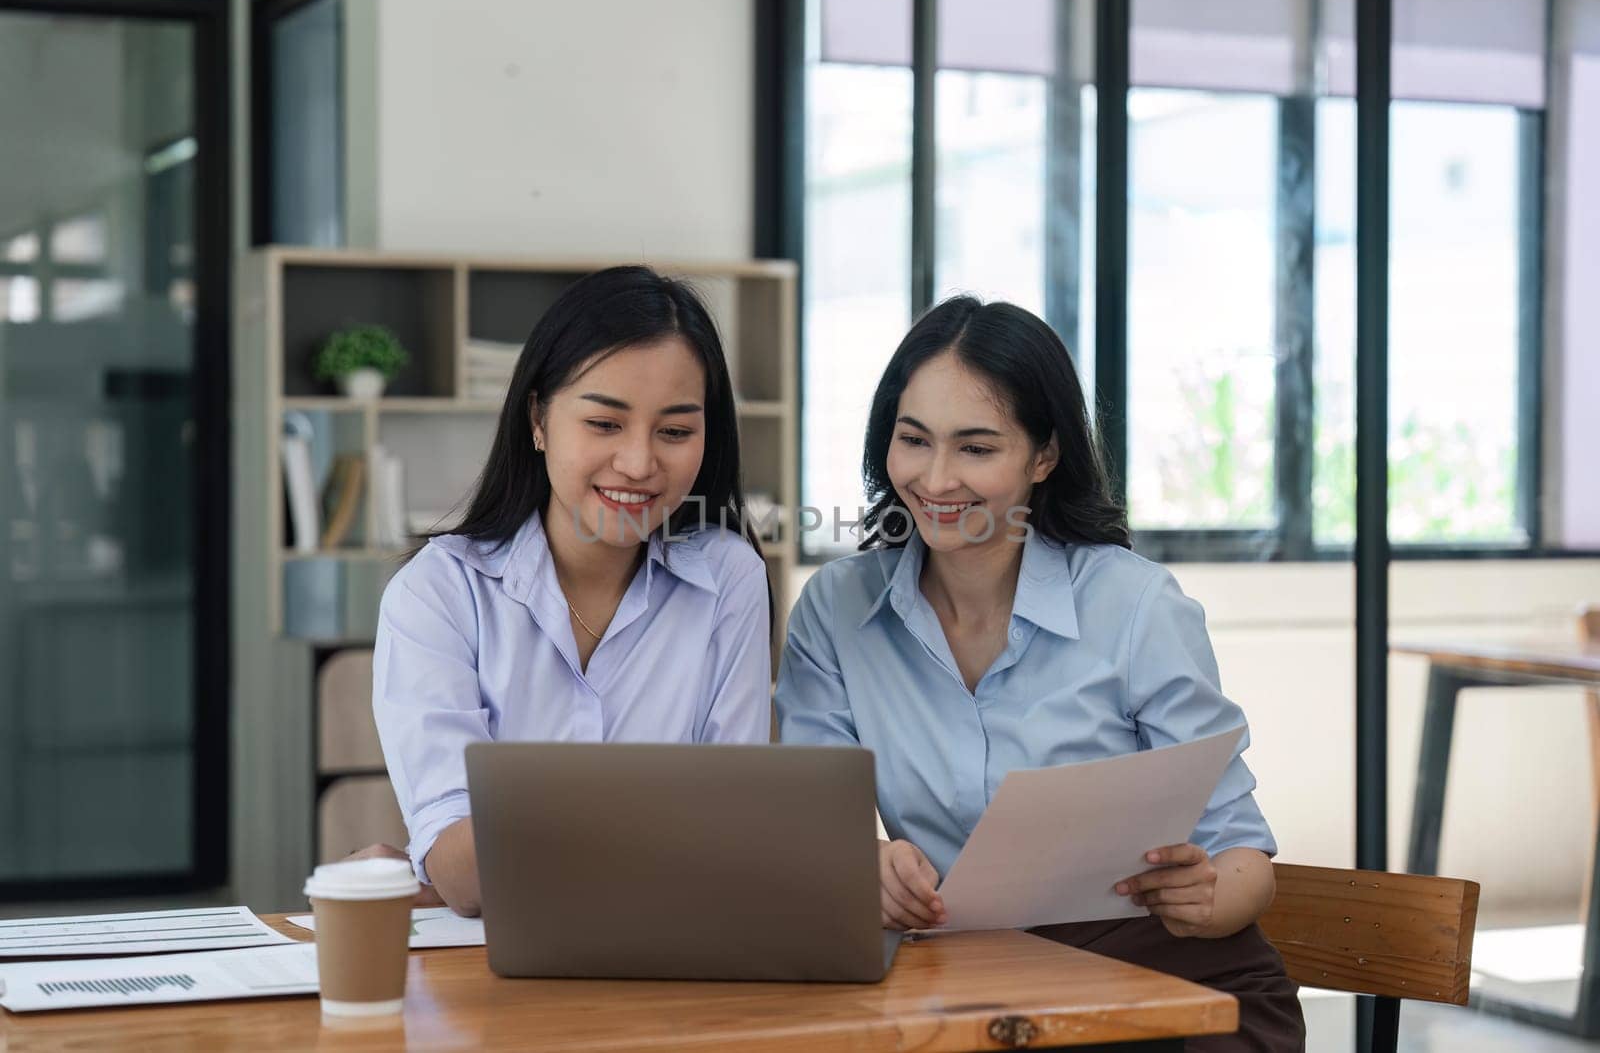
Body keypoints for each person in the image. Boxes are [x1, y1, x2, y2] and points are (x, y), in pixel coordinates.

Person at [775, 296, 1304, 1050]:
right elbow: (809, 826)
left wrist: (1208, 896)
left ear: (1044, 455)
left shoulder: (1135, 606)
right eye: (913, 439)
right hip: (971, 991)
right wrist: (869, 865)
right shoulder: (837, 609)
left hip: (1168, 986)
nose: (935, 478)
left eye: (977, 448)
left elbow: (1243, 854)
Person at [366, 266, 772, 916]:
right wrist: (452, 869)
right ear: (538, 418)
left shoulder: (729, 579)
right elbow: (466, 874)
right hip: (495, 986)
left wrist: (477, 858)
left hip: (674, 966)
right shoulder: (439, 593)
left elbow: (737, 843)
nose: (640, 463)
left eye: (674, 431)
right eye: (605, 423)